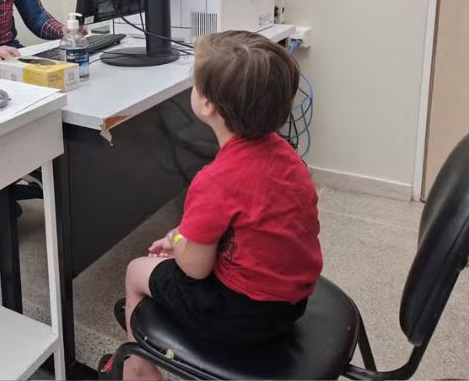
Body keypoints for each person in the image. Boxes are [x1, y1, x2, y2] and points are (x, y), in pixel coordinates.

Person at [100, 30, 323, 380]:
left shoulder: (215, 179)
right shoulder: (289, 159)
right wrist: (182, 233)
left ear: (207, 105)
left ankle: (140, 370)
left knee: (135, 271)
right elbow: (247, 227)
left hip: (239, 316)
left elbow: (195, 269)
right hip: (290, 305)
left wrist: (177, 243)